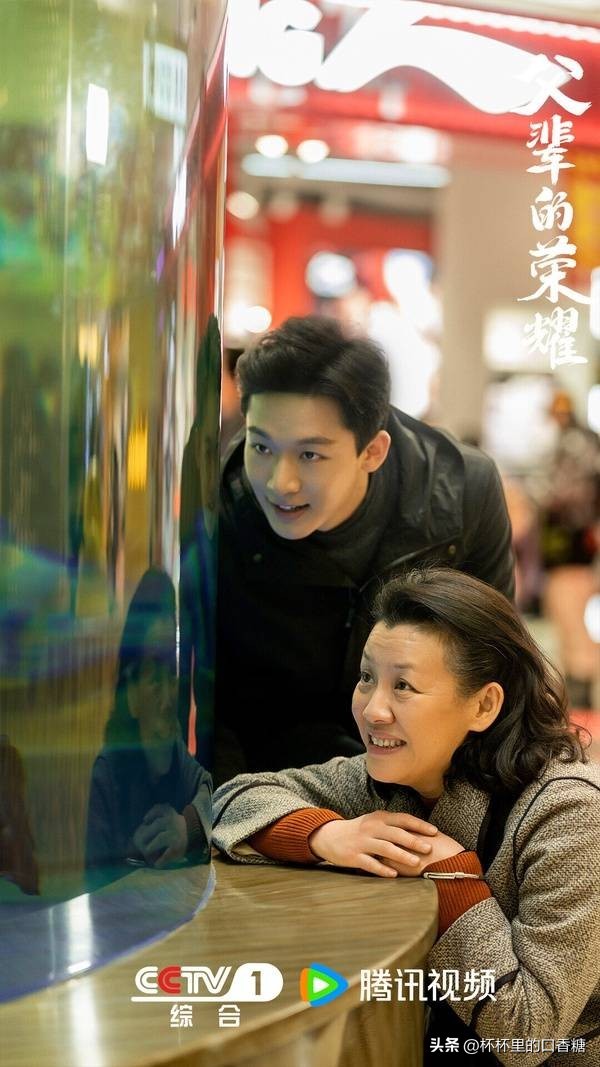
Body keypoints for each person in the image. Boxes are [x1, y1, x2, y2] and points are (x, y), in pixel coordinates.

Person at [213, 567, 599, 1067]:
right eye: (367, 678)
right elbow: (233, 800)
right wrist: (327, 834)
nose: (373, 710)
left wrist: (453, 879)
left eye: (404, 686)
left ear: (484, 705)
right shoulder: (387, 780)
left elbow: (526, 1032)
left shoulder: (571, 813)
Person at [217, 315, 514, 777]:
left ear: (372, 451)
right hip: (270, 781)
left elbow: (494, 673)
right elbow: (212, 705)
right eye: (262, 448)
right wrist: (246, 807)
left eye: (310, 454)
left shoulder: (461, 495)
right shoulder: (220, 509)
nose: (279, 482)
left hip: (426, 780)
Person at [85, 568, 211, 887]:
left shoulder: (178, 756)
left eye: (171, 674)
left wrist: (187, 827)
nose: (168, 697)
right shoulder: (107, 774)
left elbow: (215, 795)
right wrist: (132, 856)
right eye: (154, 678)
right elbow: (94, 886)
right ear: (131, 694)